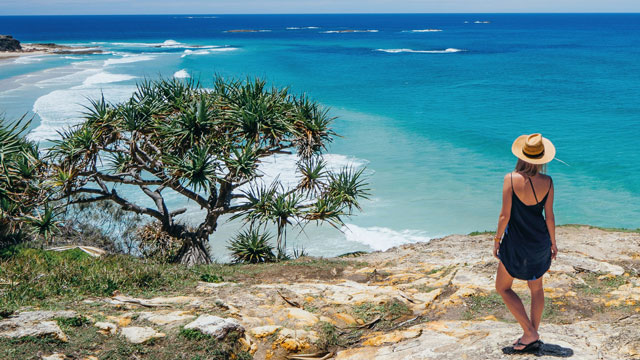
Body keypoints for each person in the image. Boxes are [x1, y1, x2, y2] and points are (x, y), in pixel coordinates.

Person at [493, 133, 558, 352]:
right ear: (542, 158)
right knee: (536, 288)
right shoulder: (548, 182)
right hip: (539, 241)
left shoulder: (510, 179)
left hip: (516, 242)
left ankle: (529, 333)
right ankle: (532, 333)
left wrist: (496, 240)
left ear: (522, 155)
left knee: (502, 288)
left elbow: (504, 216)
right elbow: (549, 216)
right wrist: (553, 243)